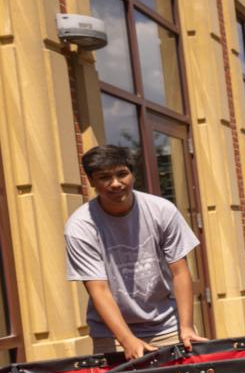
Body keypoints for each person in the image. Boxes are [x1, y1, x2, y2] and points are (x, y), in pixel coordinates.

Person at [64, 145, 203, 359]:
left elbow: (180, 272)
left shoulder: (162, 210)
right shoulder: (81, 226)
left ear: (132, 174)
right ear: (91, 181)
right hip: (111, 333)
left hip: (167, 326)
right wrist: (127, 340)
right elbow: (99, 290)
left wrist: (186, 327)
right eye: (104, 177)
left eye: (122, 174)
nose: (116, 184)